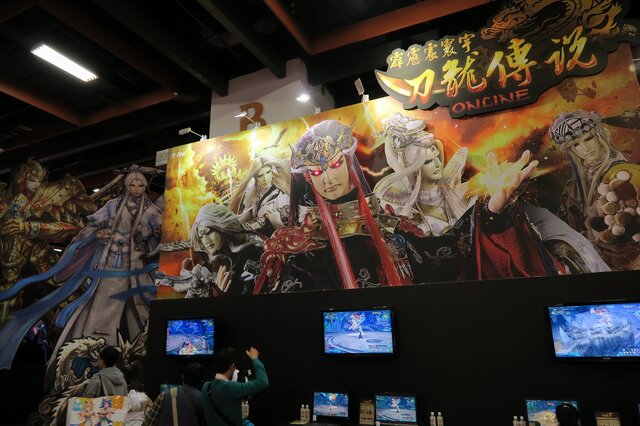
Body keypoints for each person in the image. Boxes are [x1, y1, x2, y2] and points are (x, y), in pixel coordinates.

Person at [374, 112, 609, 275]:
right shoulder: (398, 211)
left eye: (435, 156)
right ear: (411, 167)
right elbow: (441, 258)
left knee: (544, 222)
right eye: (426, 161)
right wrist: (491, 212)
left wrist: (496, 209)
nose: (436, 163)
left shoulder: (459, 191)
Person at [255, 120, 415, 294]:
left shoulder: (390, 227)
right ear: (308, 178)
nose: (328, 179)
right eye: (317, 172)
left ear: (348, 162)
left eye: (335, 165)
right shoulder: (302, 251)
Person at [0, 157, 95, 327]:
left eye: (39, 180)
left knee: (64, 297)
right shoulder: (6, 200)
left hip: (39, 258)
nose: (36, 184)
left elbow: (72, 226)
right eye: (32, 179)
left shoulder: (49, 196)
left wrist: (31, 227)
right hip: (9, 262)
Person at [550, 110, 640, 270]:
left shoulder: (622, 173)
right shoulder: (575, 184)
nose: (585, 149)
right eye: (575, 144)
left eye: (588, 138)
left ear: (600, 135)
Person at [182, 203, 265, 297]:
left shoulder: (251, 254)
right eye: (201, 236)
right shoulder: (205, 267)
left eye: (208, 232)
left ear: (221, 227)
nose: (205, 241)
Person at [201, 347, 269, 426]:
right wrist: (255, 359)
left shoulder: (206, 386)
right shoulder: (231, 388)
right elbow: (263, 382)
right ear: (232, 365)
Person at [228, 155, 290, 236]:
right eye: (260, 175)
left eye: (268, 172)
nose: (265, 178)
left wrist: (277, 223)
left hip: (277, 237)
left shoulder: (281, 194)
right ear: (255, 178)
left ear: (272, 172)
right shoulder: (254, 194)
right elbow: (248, 215)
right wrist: (230, 223)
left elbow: (289, 231)